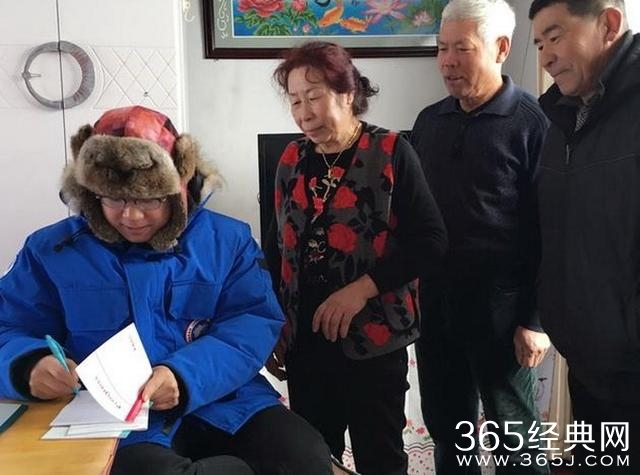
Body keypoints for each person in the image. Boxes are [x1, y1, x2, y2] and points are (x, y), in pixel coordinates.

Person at [0, 106, 333, 475]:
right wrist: (26, 365)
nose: (131, 216)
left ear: (179, 191)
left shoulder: (228, 240)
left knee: (304, 458)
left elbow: (252, 322)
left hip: (226, 399)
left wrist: (183, 375)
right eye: (113, 199)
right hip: (119, 422)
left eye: (148, 199)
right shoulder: (50, 250)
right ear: (91, 194)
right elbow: (7, 325)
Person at [265, 41, 447, 475]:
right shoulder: (291, 158)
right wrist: (272, 322)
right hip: (307, 341)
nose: (304, 113)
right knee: (312, 458)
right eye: (295, 101)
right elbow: (276, 247)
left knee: (380, 458)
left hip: (374, 340)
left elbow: (431, 240)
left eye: (314, 97)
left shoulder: (390, 151)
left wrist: (361, 290)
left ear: (347, 93)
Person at [410, 1, 552, 473]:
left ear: (501, 48)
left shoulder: (533, 123)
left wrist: (535, 320)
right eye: (442, 48)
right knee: (449, 430)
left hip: (502, 311)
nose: (448, 61)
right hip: (436, 306)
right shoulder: (429, 122)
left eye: (462, 49)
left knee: (515, 436)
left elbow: (550, 229)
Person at [530, 1, 640, 473]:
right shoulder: (564, 119)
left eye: (555, 37)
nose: (546, 57)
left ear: (609, 24)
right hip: (587, 360)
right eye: (539, 44)